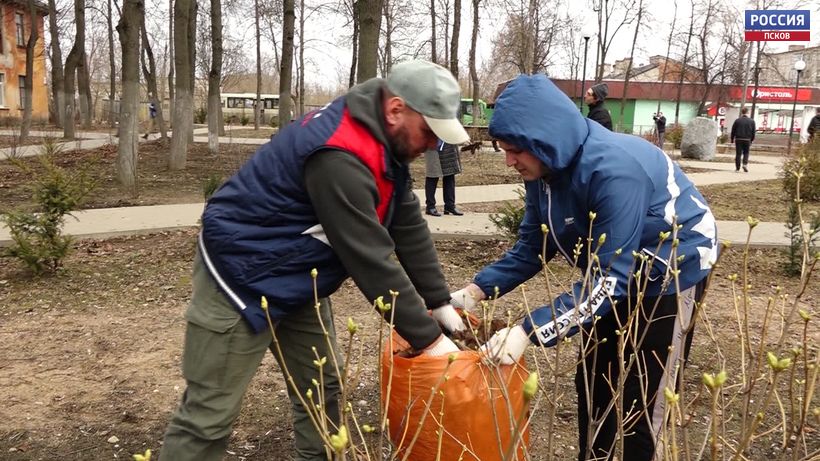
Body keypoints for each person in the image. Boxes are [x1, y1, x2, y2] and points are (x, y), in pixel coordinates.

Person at [159, 60, 472, 461]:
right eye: (429, 131)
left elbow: (405, 217)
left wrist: (438, 300)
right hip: (240, 277)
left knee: (321, 388)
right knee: (209, 417)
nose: (433, 144)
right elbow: (369, 258)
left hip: (295, 276)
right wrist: (429, 341)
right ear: (395, 110)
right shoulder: (339, 154)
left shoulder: (383, 138)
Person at [449, 74, 718, 461]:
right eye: (502, 149)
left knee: (641, 399)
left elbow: (610, 282)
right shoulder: (544, 167)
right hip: (617, 272)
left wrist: (529, 329)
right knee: (594, 382)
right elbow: (533, 245)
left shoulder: (614, 170)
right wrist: (475, 291)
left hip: (672, 273)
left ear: (541, 138)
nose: (508, 161)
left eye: (513, 151)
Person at [424, 139, 464, 216]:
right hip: (433, 144)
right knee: (433, 175)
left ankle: (450, 205)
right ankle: (430, 206)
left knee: (449, 175)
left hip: (448, 143)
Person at [730, 107, 756, 172]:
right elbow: (753, 131)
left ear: (742, 112)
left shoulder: (737, 120)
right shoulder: (752, 121)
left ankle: (737, 168)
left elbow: (733, 130)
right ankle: (745, 164)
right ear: (747, 112)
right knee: (746, 153)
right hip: (747, 139)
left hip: (738, 139)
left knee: (738, 154)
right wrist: (752, 140)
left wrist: (732, 139)